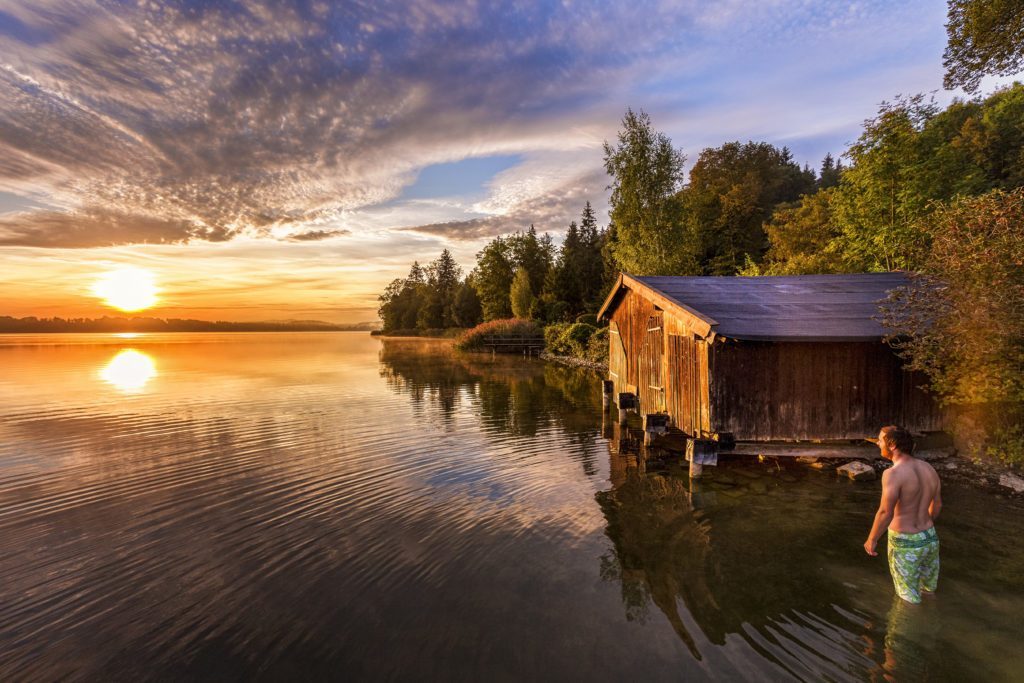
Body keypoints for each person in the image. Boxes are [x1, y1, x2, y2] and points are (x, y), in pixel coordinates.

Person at [863, 425, 942, 604]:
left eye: (880, 440)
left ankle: (905, 631)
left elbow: (885, 512)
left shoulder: (893, 474)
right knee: (928, 590)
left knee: (908, 600)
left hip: (905, 542)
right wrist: (925, 525)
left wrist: (872, 539)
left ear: (892, 445)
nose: (877, 443)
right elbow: (937, 504)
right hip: (930, 538)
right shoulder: (928, 468)